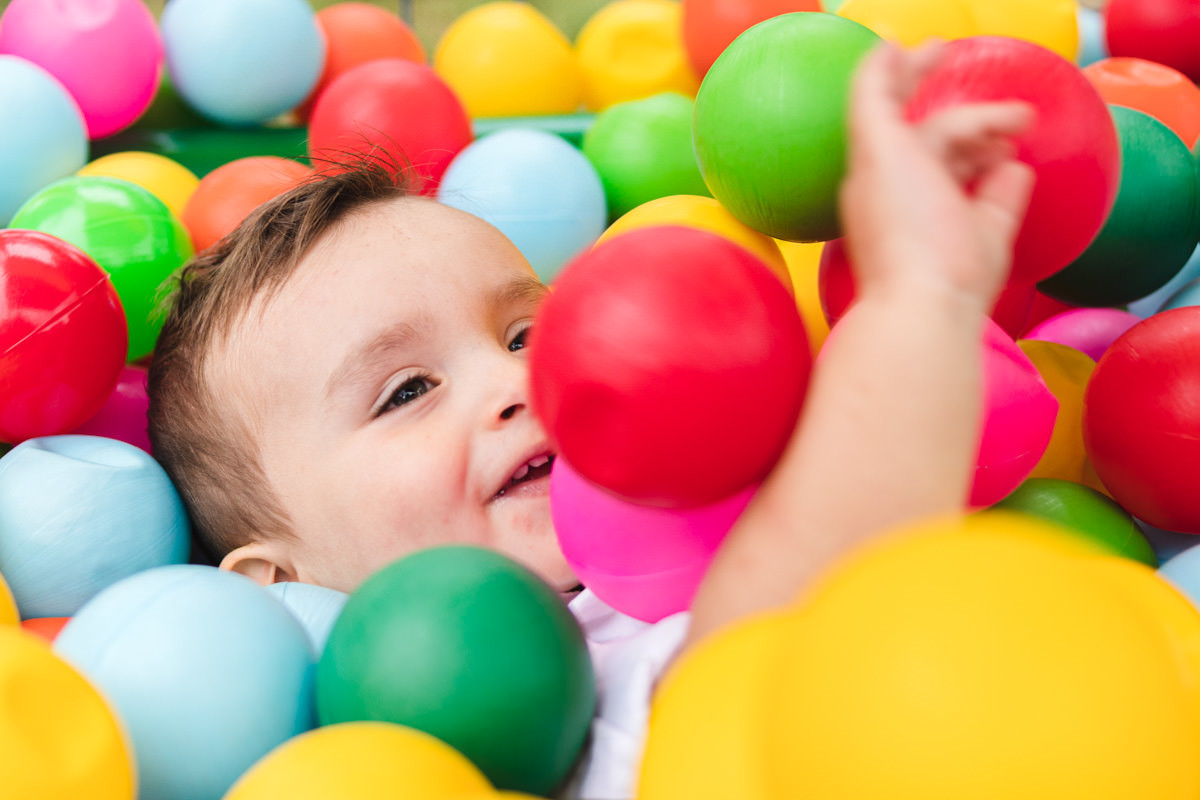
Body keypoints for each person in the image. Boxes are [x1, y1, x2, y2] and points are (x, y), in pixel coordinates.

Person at [148, 41, 1034, 799]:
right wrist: (919, 301)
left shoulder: (693, 535)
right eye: (407, 390)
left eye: (528, 332)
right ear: (282, 586)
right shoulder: (545, 684)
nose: (518, 381)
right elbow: (782, 618)